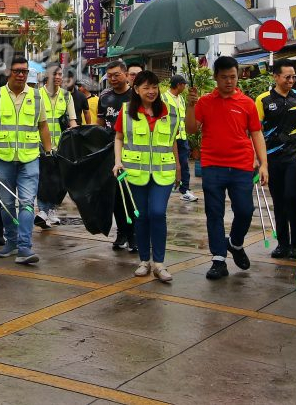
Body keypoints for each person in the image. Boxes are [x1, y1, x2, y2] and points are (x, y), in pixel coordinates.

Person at [185, 56, 269, 281]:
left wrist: (263, 164)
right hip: (212, 165)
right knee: (214, 212)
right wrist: (190, 105)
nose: (229, 82)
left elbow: (256, 133)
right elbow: (192, 129)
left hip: (241, 165)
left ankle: (235, 243)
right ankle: (218, 259)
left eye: (233, 77)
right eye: (224, 78)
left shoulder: (247, 103)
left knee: (245, 210)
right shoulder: (204, 102)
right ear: (216, 78)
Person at [0, 55, 53, 265]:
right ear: (8, 72)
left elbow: (43, 126)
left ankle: (24, 246)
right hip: (3, 158)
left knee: (28, 202)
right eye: (17, 70)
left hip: (30, 158)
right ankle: (11, 242)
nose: (21, 74)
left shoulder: (37, 96)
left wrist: (49, 152)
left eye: (24, 71)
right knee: (6, 204)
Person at [113, 70, 179, 280]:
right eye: (146, 87)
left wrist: (178, 166)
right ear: (136, 89)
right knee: (140, 217)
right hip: (135, 173)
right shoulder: (126, 112)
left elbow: (172, 140)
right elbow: (119, 138)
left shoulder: (169, 111)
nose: (151, 91)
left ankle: (159, 263)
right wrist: (117, 162)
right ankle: (144, 261)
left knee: (158, 213)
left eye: (154, 87)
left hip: (163, 173)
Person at [255, 60, 296, 260]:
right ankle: (283, 244)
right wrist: (258, 160)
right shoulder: (262, 100)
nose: (291, 80)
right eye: (287, 77)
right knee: (279, 200)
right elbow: (256, 131)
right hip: (272, 158)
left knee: (293, 197)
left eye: (294, 77)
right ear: (276, 77)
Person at [98, 60, 137, 253]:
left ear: (125, 74)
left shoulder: (136, 97)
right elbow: (98, 126)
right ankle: (121, 232)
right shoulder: (104, 98)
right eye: (110, 76)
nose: (113, 79)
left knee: (131, 197)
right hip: (109, 155)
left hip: (132, 154)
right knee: (115, 197)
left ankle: (134, 235)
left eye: (116, 75)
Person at [36, 64, 76, 228]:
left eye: (60, 74)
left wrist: (76, 136)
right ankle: (43, 211)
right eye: (55, 74)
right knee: (44, 179)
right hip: (39, 144)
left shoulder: (67, 96)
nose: (59, 77)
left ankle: (51, 210)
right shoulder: (37, 95)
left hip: (61, 146)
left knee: (59, 182)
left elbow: (72, 119)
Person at [163, 74, 197, 202]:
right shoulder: (164, 98)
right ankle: (169, 186)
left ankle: (185, 189)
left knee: (183, 163)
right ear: (179, 85)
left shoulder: (182, 99)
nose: (185, 87)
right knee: (169, 163)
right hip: (169, 137)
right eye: (184, 84)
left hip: (182, 137)